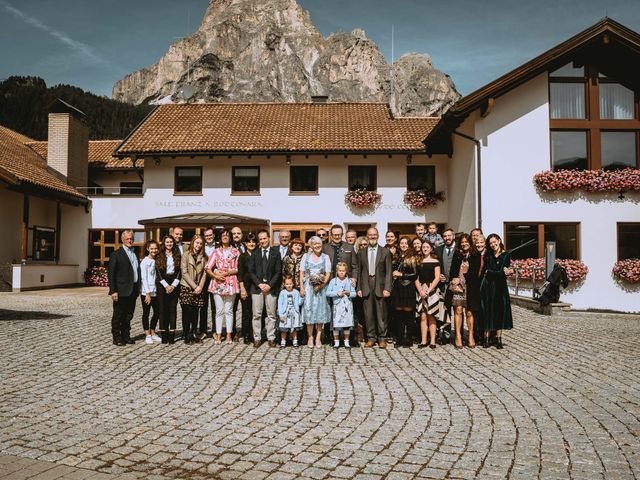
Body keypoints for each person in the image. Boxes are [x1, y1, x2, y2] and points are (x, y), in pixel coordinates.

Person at [322, 225, 359, 346]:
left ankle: (351, 338)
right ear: (331, 235)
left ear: (342, 234)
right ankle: (331, 337)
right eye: (334, 234)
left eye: (339, 234)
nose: (337, 236)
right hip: (329, 283)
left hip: (346, 283)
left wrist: (354, 278)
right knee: (330, 310)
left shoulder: (349, 247)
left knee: (349, 310)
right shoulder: (325, 247)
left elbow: (354, 266)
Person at [356, 227, 392, 348]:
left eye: (374, 234)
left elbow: (388, 272)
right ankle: (370, 338)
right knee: (368, 314)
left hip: (380, 286)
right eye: (370, 234)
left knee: (381, 314)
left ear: (378, 236)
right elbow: (359, 272)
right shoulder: (361, 252)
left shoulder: (385, 252)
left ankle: (382, 338)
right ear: (367, 236)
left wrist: (387, 288)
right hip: (366, 285)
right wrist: (359, 288)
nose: (372, 236)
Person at [248, 230, 282, 347]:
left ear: (269, 238)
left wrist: (269, 285)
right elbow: (251, 272)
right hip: (257, 289)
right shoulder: (255, 253)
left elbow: (278, 272)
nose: (263, 241)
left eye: (264, 238)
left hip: (271, 288)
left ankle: (271, 338)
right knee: (256, 315)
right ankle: (257, 338)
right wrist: (259, 284)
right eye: (261, 239)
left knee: (271, 314)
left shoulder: (276, 253)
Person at [207, 229, 240, 345]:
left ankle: (229, 335)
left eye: (227, 235)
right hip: (217, 284)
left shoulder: (236, 252)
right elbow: (207, 267)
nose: (225, 237)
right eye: (223, 235)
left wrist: (226, 273)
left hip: (231, 282)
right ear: (220, 238)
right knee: (219, 310)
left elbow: (237, 268)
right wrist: (215, 274)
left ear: (230, 237)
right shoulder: (216, 252)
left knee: (229, 310)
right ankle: (218, 334)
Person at [480, 234, 514, 349]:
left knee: (499, 312)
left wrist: (495, 273)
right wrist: (498, 273)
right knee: (488, 311)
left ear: (499, 241)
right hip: (489, 287)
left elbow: (498, 271)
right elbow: (491, 271)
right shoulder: (488, 255)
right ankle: (487, 338)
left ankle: (499, 340)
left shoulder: (506, 255)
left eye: (494, 242)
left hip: (500, 287)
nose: (493, 244)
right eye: (490, 243)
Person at [108, 229, 140, 346]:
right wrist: (113, 291)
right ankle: (117, 337)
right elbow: (111, 274)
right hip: (121, 290)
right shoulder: (116, 254)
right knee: (118, 315)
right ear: (122, 240)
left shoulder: (134, 253)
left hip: (133, 290)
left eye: (131, 238)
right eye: (127, 239)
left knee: (129, 315)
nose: (130, 240)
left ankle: (126, 335)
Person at [300, 236, 332, 346]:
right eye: (315, 244)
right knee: (309, 311)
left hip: (321, 289)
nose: (317, 246)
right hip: (308, 288)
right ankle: (310, 337)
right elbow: (302, 273)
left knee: (320, 312)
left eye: (319, 244)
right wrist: (302, 287)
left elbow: (328, 274)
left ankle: (318, 337)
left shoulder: (325, 257)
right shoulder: (306, 256)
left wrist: (322, 285)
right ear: (311, 246)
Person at [449, 233, 475, 349]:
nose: (464, 244)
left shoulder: (474, 254)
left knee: (469, 312)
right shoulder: (457, 254)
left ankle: (470, 336)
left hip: (470, 286)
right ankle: (458, 336)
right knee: (458, 311)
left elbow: (475, 271)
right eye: (462, 242)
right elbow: (453, 270)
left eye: (466, 242)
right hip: (458, 287)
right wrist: (455, 278)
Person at [180, 234, 207, 344]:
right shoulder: (186, 255)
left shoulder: (203, 257)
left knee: (196, 312)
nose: (198, 245)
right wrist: (195, 286)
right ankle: (187, 335)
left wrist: (200, 286)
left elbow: (205, 273)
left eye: (201, 243)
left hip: (198, 288)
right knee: (187, 312)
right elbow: (184, 272)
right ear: (192, 243)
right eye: (197, 243)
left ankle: (194, 333)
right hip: (187, 286)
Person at [391, 237, 418, 347]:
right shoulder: (396, 256)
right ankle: (400, 338)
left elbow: (415, 274)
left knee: (408, 315)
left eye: (405, 243)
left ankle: (409, 339)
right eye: (401, 243)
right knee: (399, 315)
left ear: (409, 245)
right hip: (398, 287)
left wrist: (401, 275)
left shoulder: (412, 257)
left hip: (408, 287)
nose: (403, 245)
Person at [415, 240, 441, 349]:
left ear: (431, 249)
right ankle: (424, 340)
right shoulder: (418, 261)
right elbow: (415, 278)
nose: (425, 248)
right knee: (423, 316)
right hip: (420, 290)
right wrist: (420, 290)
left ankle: (433, 341)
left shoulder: (435, 261)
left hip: (432, 290)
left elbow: (437, 277)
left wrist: (429, 290)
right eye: (423, 247)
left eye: (427, 247)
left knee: (432, 315)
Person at [156, 235, 181, 344]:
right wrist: (166, 286)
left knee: (172, 309)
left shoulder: (177, 254)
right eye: (167, 242)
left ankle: (171, 334)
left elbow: (180, 271)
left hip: (174, 282)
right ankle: (163, 333)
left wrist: (173, 285)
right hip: (162, 283)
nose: (169, 244)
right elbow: (158, 272)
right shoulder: (159, 255)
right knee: (162, 309)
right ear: (164, 243)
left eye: (171, 242)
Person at [326, 262, 356, 348]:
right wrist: (336, 293)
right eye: (340, 271)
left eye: (343, 271)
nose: (341, 272)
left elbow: (354, 294)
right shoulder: (333, 281)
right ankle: (336, 341)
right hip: (337, 306)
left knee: (347, 324)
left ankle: (346, 341)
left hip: (347, 305)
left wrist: (349, 293)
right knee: (336, 325)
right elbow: (327, 293)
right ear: (337, 271)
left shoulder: (349, 281)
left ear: (346, 271)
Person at [436, 228, 456, 342]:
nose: (447, 238)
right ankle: (445, 334)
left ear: (453, 236)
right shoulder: (438, 249)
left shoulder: (458, 250)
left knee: (458, 310)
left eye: (449, 236)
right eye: (445, 236)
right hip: (443, 285)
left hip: (456, 285)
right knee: (444, 309)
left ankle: (458, 334)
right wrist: (439, 276)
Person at [140, 240, 161, 345]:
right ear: (148, 249)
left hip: (156, 292)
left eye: (155, 248)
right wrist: (147, 293)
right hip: (146, 292)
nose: (154, 250)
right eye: (152, 248)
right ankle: (147, 334)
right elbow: (144, 278)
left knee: (157, 312)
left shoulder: (157, 260)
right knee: (146, 313)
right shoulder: (145, 261)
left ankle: (153, 332)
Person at [237, 233, 257, 344]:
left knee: (256, 312)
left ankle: (255, 333)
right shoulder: (242, 256)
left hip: (257, 287)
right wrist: (242, 288)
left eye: (253, 242)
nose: (251, 244)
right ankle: (246, 335)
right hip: (246, 287)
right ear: (245, 243)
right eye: (249, 242)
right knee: (246, 312)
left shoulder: (258, 255)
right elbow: (240, 274)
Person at [468, 235, 487, 345]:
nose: (479, 245)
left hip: (485, 286)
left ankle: (486, 335)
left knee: (483, 311)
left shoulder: (488, 255)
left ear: (485, 243)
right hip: (473, 287)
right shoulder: (472, 255)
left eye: (481, 243)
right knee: (474, 311)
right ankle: (476, 335)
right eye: (477, 243)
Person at [199, 227, 217, 340]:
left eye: (210, 235)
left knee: (215, 306)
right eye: (206, 236)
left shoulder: (219, 247)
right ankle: (203, 330)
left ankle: (215, 330)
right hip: (203, 280)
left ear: (214, 235)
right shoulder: (200, 247)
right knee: (203, 306)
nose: (208, 237)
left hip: (215, 279)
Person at [277, 275, 303, 347]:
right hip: (285, 313)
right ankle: (283, 341)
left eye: (290, 284)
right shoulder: (282, 293)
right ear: (284, 284)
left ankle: (295, 341)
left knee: (294, 328)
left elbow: (299, 303)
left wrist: (302, 297)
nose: (289, 286)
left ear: (293, 284)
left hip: (294, 312)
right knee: (284, 328)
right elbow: (280, 304)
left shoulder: (296, 292)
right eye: (287, 284)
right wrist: (281, 314)